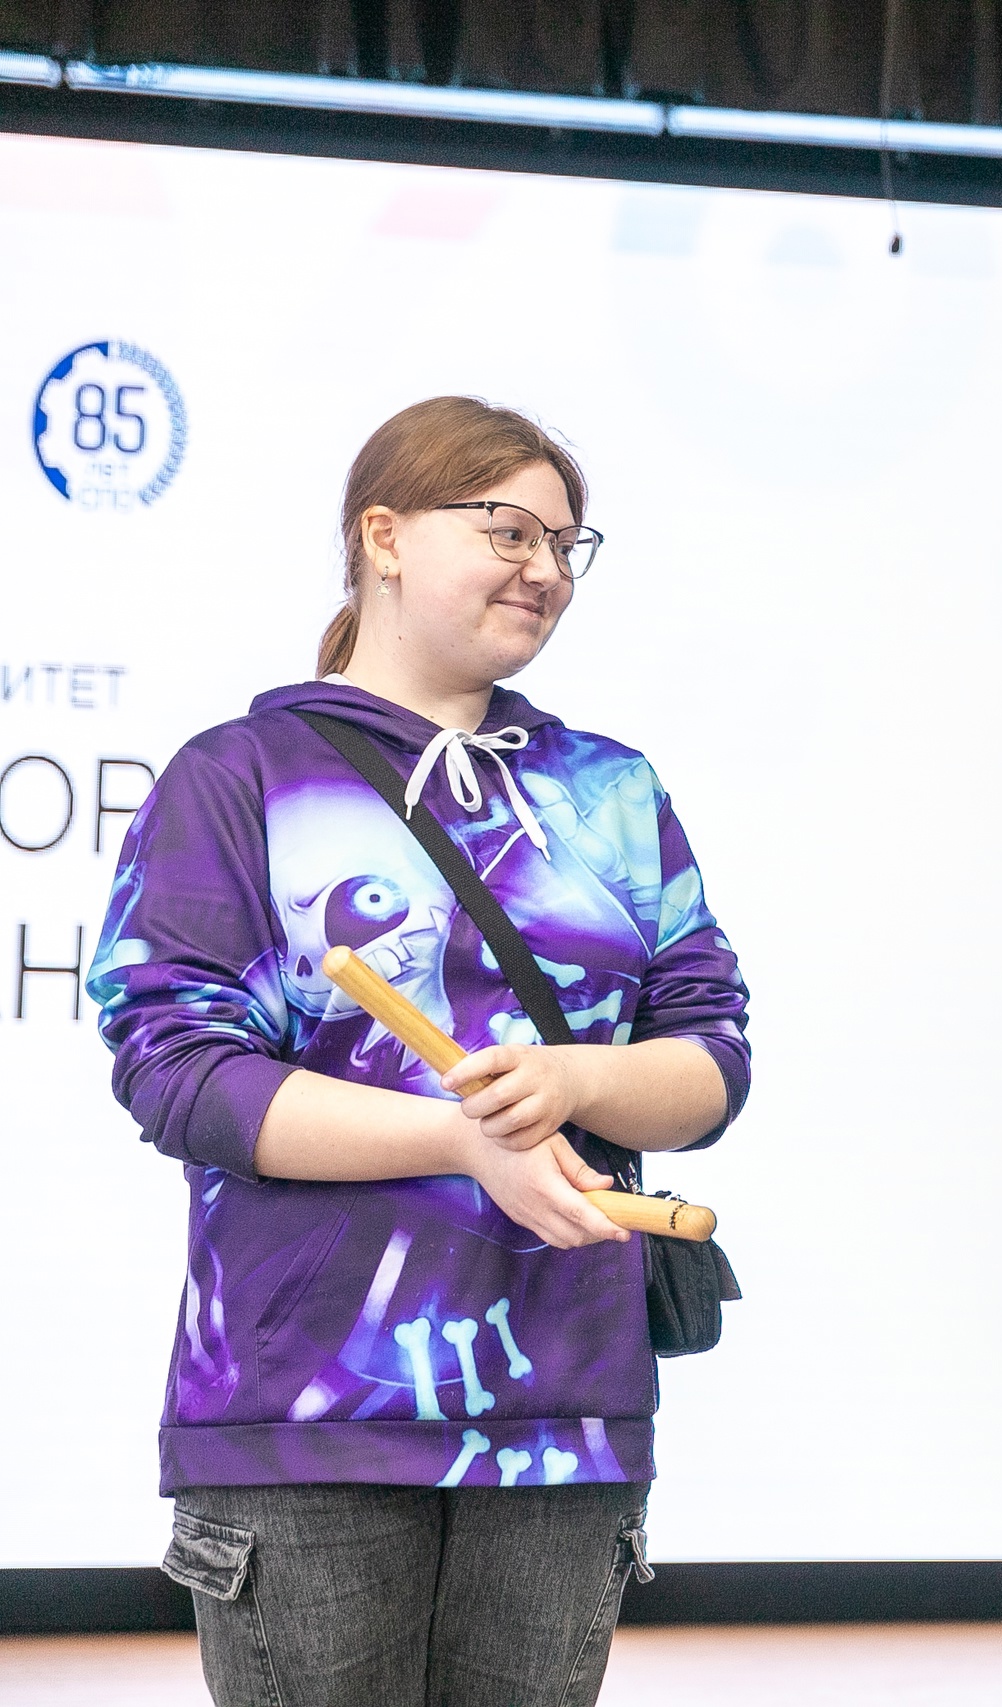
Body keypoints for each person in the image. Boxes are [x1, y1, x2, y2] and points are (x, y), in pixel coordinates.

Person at [89, 397, 752, 1707]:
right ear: (382, 536)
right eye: (508, 530)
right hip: (304, 1412)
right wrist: (459, 1139)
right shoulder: (238, 775)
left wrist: (575, 1080)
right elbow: (176, 1067)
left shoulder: (611, 789)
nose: (545, 568)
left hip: (564, 1416)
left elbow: (712, 1055)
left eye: (566, 544)